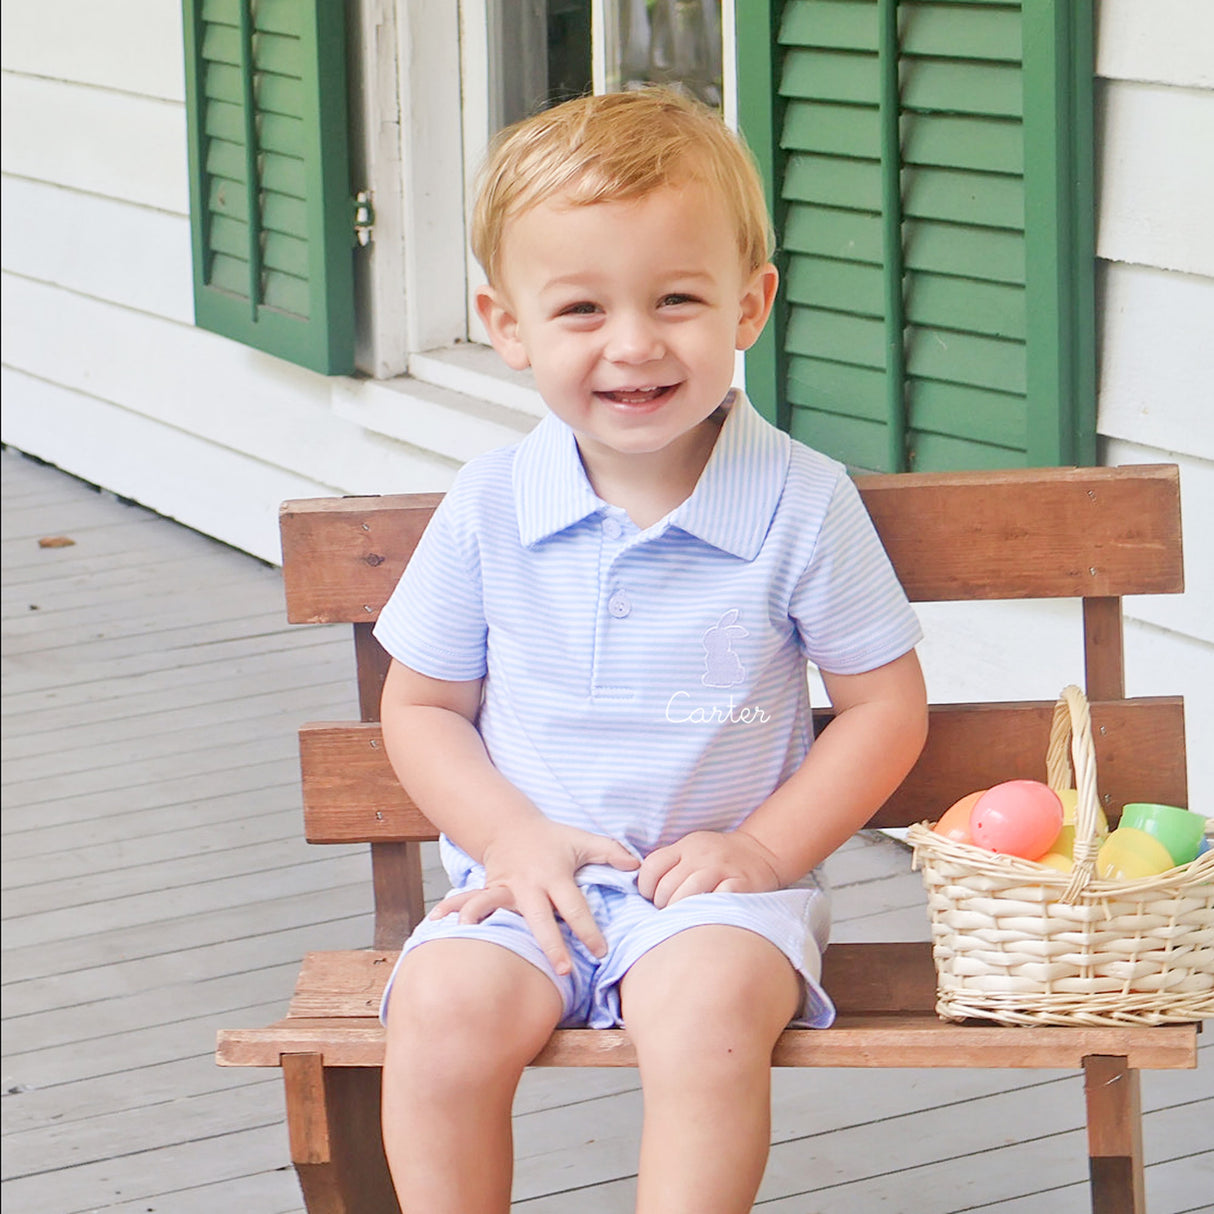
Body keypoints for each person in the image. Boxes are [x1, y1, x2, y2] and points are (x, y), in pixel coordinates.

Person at [374, 87, 929, 1214]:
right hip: (523, 879)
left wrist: (762, 850)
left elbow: (884, 707)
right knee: (439, 1010)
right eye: (581, 308)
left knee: (707, 1009)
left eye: (677, 298)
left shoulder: (801, 502)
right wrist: (509, 835)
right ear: (508, 325)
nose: (633, 344)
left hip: (719, 896)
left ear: (748, 304)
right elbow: (422, 705)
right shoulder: (490, 503)